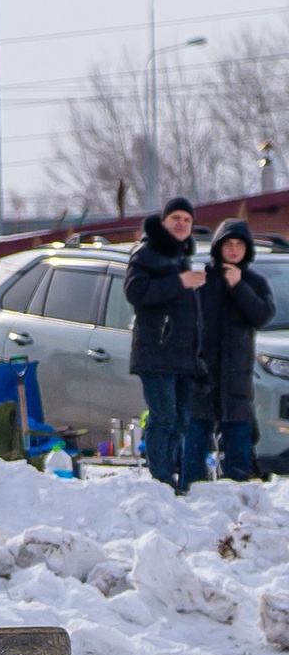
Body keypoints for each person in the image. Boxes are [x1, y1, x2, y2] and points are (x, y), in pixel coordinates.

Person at [184, 217, 277, 483]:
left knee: (237, 437)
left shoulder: (254, 282)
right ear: (218, 246)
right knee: (195, 437)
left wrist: (239, 286)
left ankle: (238, 491)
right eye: (229, 244)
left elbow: (262, 315)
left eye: (239, 244)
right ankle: (190, 491)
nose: (234, 249)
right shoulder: (202, 279)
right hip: (203, 373)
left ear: (247, 249)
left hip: (237, 376)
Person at [123, 196, 205, 492]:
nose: (181, 224)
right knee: (164, 416)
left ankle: (169, 472)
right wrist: (180, 282)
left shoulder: (180, 257)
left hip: (183, 355)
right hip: (156, 350)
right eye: (176, 218)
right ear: (163, 223)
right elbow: (136, 292)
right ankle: (160, 478)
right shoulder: (147, 253)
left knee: (181, 418)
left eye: (187, 220)